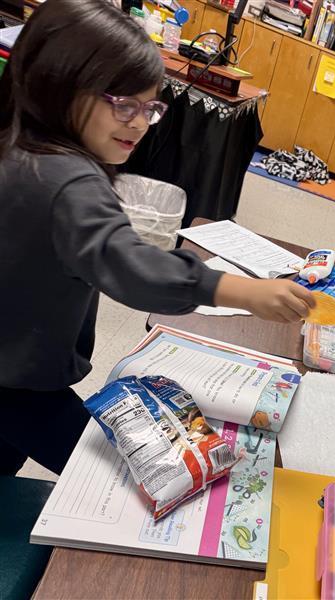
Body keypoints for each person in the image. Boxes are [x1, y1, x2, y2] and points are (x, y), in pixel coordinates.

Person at [0, 0, 316, 476]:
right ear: (57, 84)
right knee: (126, 472)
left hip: (16, 356)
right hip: (18, 381)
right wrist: (240, 290)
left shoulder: (21, 145)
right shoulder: (68, 182)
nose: (141, 123)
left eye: (150, 107)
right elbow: (129, 264)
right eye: (123, 104)